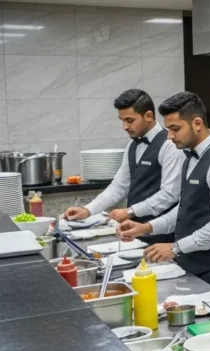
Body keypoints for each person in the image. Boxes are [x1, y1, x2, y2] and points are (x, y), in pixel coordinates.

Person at [118, 92, 210, 294]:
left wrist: (175, 248)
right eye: (168, 129)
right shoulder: (189, 156)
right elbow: (185, 208)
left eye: (175, 129)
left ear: (197, 123)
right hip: (189, 267)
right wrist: (145, 227)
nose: (169, 136)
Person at [64, 89, 184, 243]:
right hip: (135, 232)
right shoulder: (132, 145)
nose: (124, 126)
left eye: (129, 120)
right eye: (122, 120)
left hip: (163, 235)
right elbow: (119, 186)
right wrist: (88, 210)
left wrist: (130, 211)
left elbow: (169, 195)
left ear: (148, 116)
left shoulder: (169, 144)